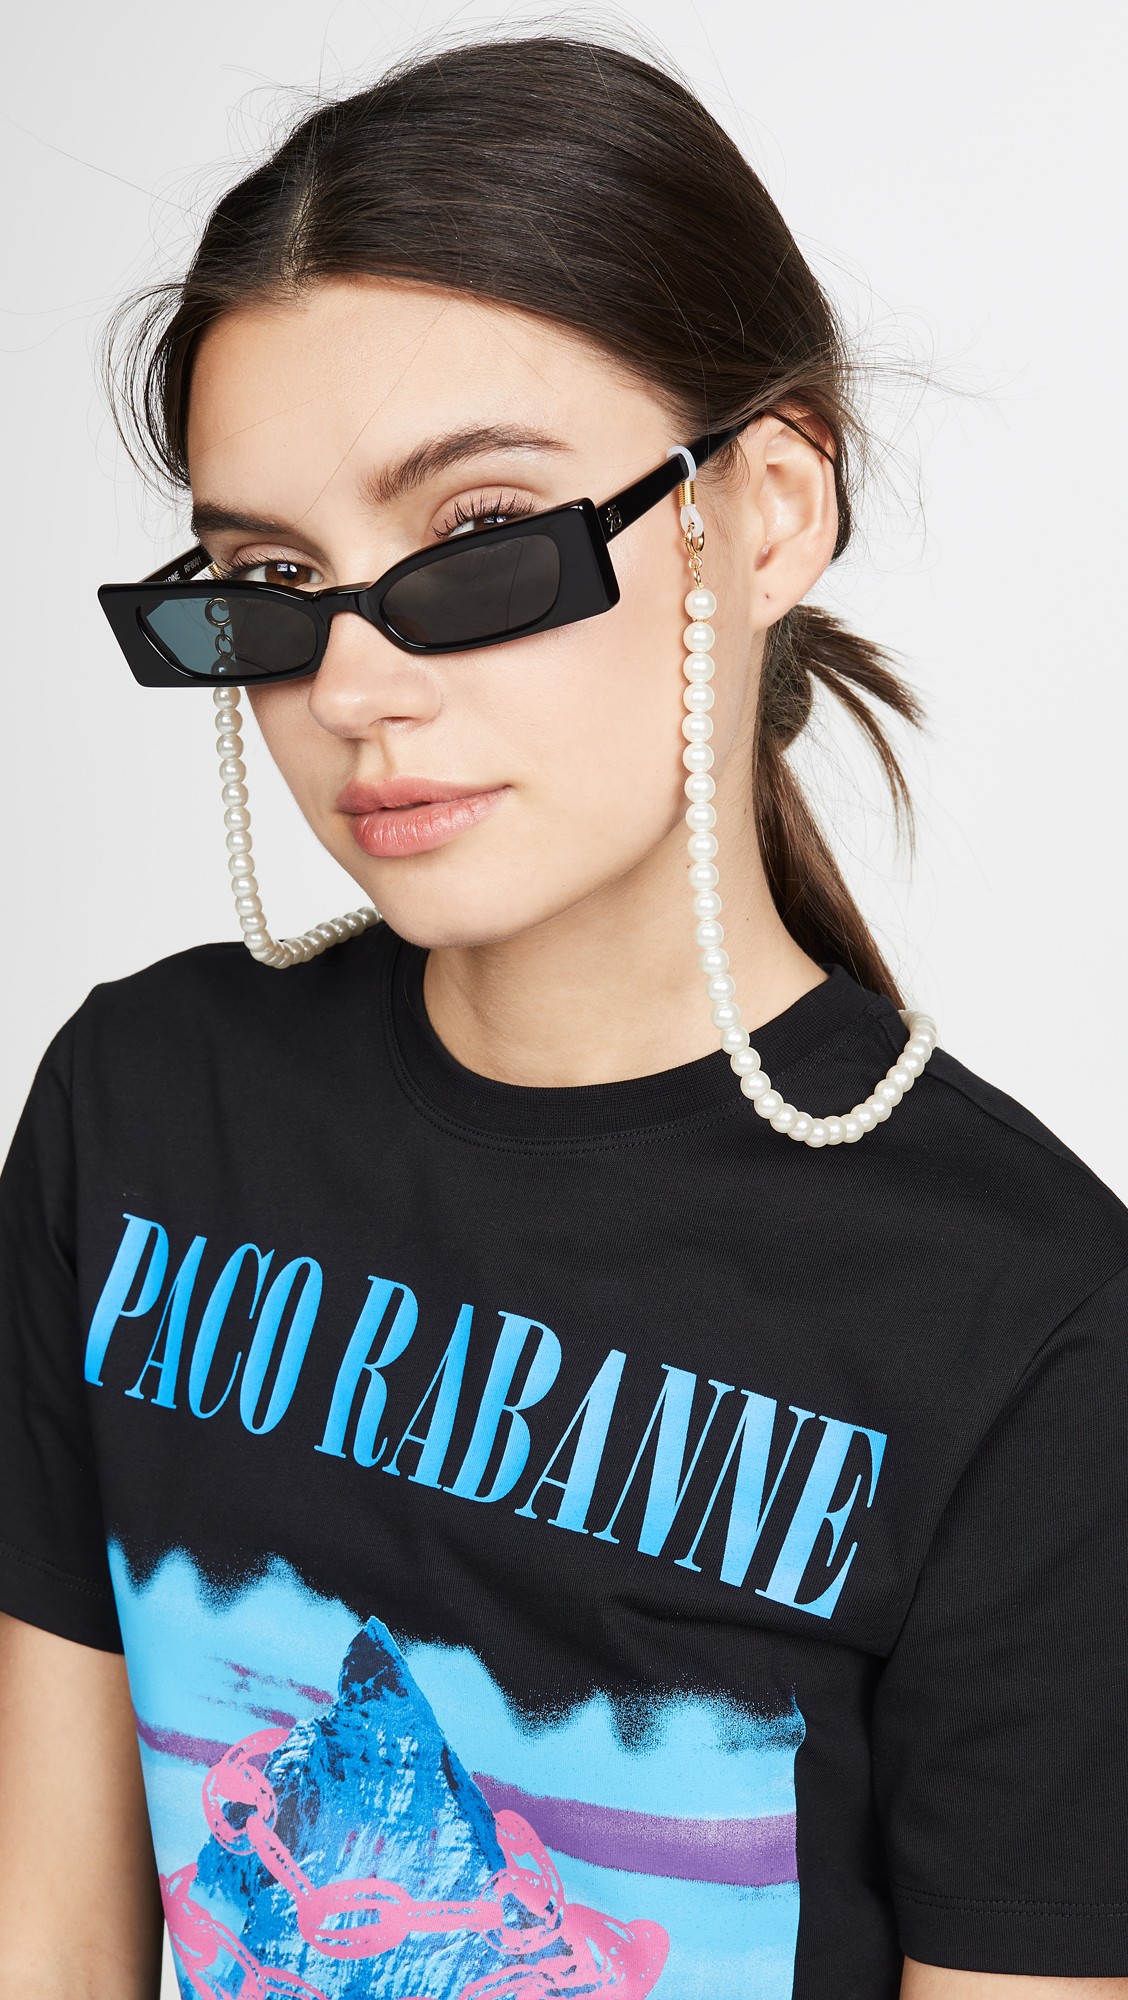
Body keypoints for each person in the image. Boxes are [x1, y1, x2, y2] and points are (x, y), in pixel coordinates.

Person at [1, 32, 1125, 2000]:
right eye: (270, 576)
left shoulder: (1031, 1326)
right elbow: (48, 1931)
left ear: (767, 512)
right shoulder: (140, 1108)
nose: (353, 685)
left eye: (473, 534)